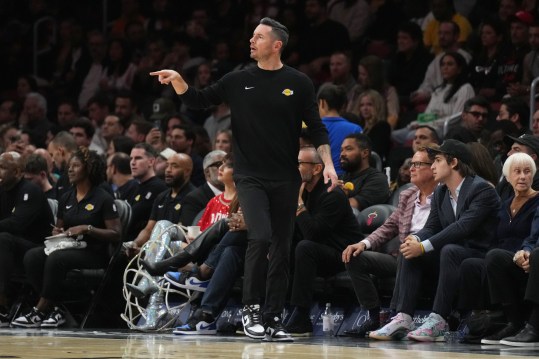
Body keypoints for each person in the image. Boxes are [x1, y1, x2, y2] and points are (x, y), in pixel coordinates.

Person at [150, 17, 337, 342]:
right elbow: (198, 98)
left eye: (259, 37)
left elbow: (317, 129)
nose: (251, 41)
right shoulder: (238, 80)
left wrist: (329, 164)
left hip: (286, 179)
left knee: (281, 249)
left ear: (276, 45)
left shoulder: (300, 82)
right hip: (250, 176)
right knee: (260, 237)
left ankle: (272, 317)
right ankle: (252, 310)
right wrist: (179, 81)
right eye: (252, 36)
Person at [369, 139, 500, 341]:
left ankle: (438, 320)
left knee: (448, 249)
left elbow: (462, 227)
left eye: (437, 160)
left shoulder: (482, 190)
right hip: (450, 254)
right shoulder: (441, 191)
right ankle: (403, 317)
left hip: (479, 253)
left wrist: (423, 246)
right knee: (408, 248)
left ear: (453, 162)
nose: (432, 166)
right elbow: (432, 227)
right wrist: (415, 239)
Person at [12, 148, 121, 328]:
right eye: (69, 166)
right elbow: (59, 226)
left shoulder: (103, 198)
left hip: (93, 252)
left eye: (76, 166)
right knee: (33, 256)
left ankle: (40, 310)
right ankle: (57, 308)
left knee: (56, 259)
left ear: (89, 169)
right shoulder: (66, 197)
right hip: (68, 246)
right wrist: (58, 232)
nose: (70, 170)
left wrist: (88, 228)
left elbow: (116, 234)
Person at [342, 145, 438, 337]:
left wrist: (417, 244)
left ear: (434, 167)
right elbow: (388, 227)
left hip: (431, 256)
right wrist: (363, 244)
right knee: (354, 256)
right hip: (404, 257)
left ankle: (398, 316)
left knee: (407, 248)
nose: (411, 168)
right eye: (412, 163)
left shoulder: (444, 196)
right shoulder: (408, 195)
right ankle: (373, 316)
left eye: (418, 164)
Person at [456, 153, 539, 342]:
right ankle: (474, 324)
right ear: (508, 177)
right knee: (471, 263)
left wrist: (526, 253)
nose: (522, 177)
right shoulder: (504, 205)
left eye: (527, 172)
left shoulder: (537, 201)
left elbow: (534, 235)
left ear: (533, 176)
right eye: (517, 172)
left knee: (494, 257)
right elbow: (493, 239)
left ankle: (513, 321)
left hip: (524, 257)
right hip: (505, 257)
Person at [284, 146, 361, 336]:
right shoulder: (306, 192)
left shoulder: (332, 194)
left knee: (304, 247)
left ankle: (301, 317)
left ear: (317, 168)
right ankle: (269, 310)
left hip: (343, 255)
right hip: (316, 253)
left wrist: (299, 204)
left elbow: (312, 234)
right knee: (280, 248)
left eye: (299, 164)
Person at [0, 152, 54, 327]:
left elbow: (17, 225)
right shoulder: (2, 191)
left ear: (16, 172)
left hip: (36, 248)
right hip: (10, 247)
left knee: (4, 239)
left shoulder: (30, 191)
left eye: (2, 168)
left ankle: (2, 303)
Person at [126, 143, 168, 241]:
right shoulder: (131, 186)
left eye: (138, 158)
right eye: (131, 158)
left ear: (151, 161)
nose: (132, 162)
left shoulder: (160, 188)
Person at [318, 84, 362, 176]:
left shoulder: (311, 128)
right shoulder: (356, 129)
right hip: (348, 183)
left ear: (322, 103)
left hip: (319, 181)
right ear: (343, 105)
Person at [339, 133, 390, 210]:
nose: (342, 154)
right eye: (341, 150)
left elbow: (352, 207)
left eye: (348, 149)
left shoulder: (377, 179)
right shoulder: (340, 178)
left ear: (364, 153)